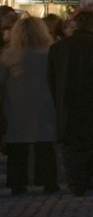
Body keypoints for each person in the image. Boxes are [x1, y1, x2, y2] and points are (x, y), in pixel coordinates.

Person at [48, 9, 93, 195]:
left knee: (70, 145)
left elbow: (51, 77)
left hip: (67, 100)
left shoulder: (59, 47)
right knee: (89, 143)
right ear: (92, 25)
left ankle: (75, 182)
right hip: (91, 99)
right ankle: (86, 179)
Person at [2, 15, 59, 195]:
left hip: (16, 104)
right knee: (45, 145)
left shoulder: (9, 54)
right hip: (46, 103)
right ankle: (49, 182)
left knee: (17, 147)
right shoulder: (51, 52)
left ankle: (18, 183)